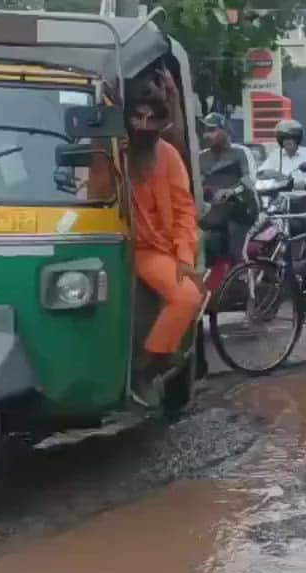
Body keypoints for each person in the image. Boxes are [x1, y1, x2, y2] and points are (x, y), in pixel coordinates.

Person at [125, 87, 203, 401]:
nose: (143, 124)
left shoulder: (167, 154)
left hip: (151, 250)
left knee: (189, 295)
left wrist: (185, 255)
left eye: (151, 118)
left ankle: (147, 368)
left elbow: (184, 208)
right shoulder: (109, 149)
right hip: (109, 244)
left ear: (161, 123)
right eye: (138, 116)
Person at [198, 112, 255, 287]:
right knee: (200, 242)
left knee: (237, 249)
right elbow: (196, 182)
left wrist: (231, 191)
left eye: (213, 130)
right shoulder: (202, 157)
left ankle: (249, 290)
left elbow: (249, 179)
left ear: (224, 130)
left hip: (241, 208)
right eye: (206, 131)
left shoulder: (240, 152)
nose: (207, 135)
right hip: (214, 211)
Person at [259, 119, 306, 190]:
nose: (288, 141)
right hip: (280, 196)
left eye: (292, 138)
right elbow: (262, 172)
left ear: (298, 139)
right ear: (280, 140)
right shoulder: (275, 155)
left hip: (305, 194)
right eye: (284, 138)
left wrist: (304, 183)